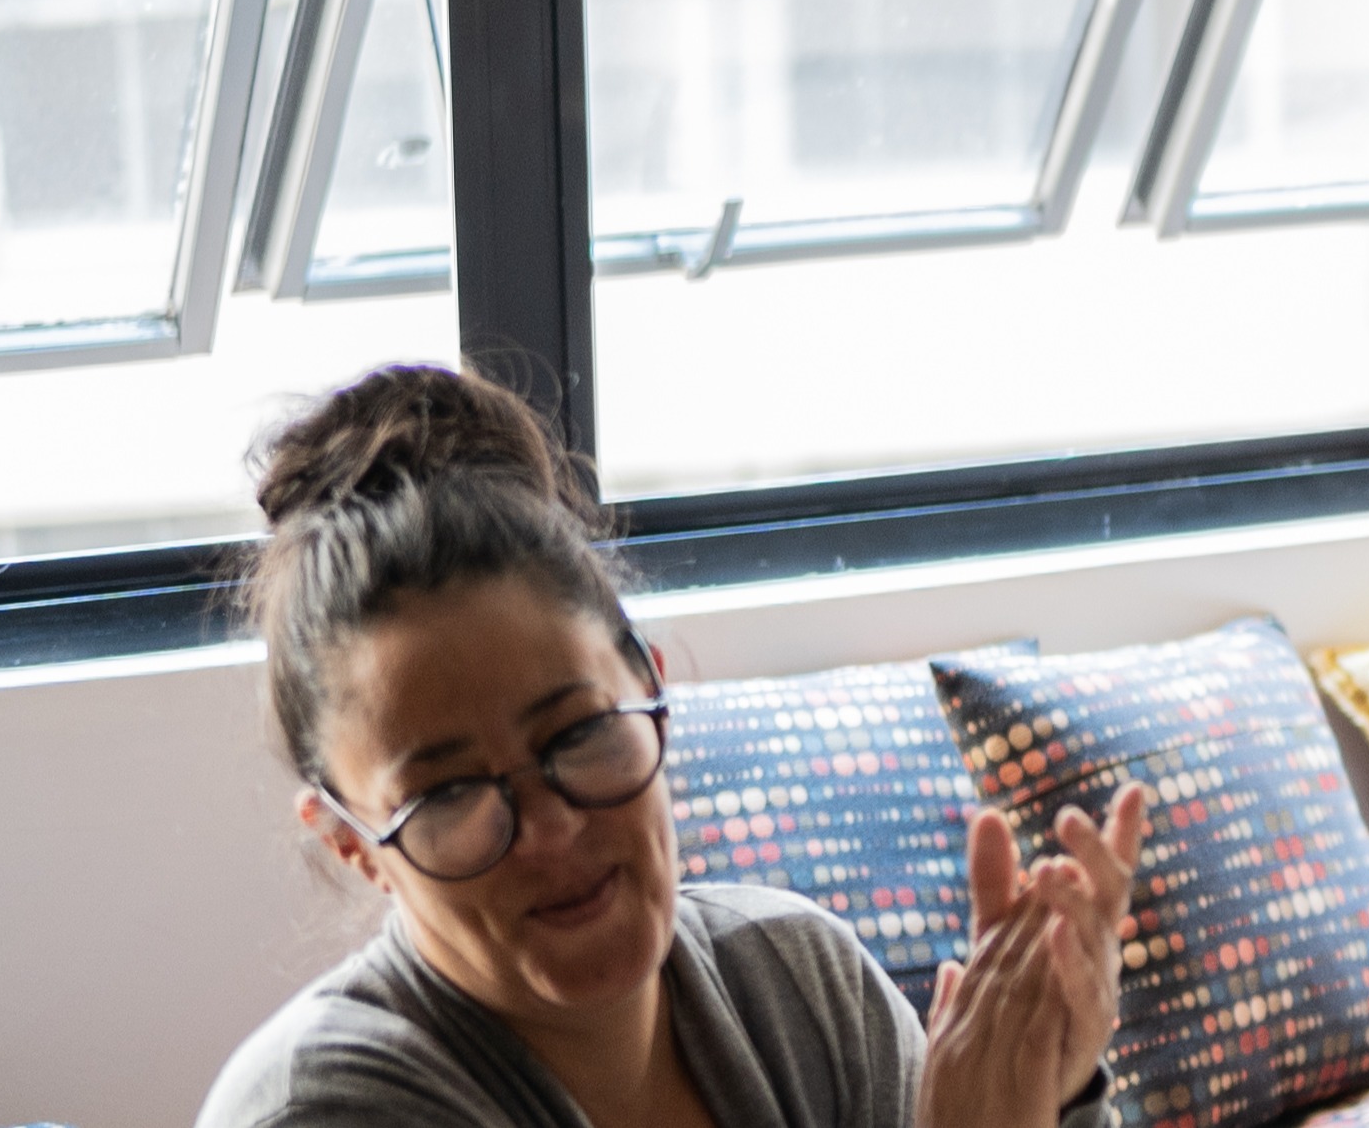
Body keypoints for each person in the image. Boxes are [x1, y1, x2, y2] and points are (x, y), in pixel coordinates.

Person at [201, 364, 1152, 1128]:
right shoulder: (317, 1109)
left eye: (577, 733)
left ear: (650, 686)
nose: (547, 830)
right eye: (448, 794)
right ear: (350, 841)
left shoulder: (801, 984)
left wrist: (1053, 1087)